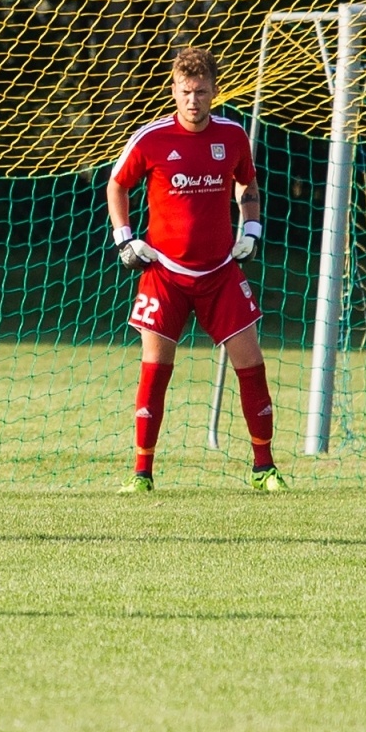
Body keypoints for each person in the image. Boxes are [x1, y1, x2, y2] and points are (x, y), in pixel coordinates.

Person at [106, 46, 286, 492]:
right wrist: (125, 238)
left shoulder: (233, 136)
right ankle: (142, 473)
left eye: (201, 92)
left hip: (221, 270)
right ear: (173, 91)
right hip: (164, 272)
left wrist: (253, 227)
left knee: (252, 363)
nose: (193, 100)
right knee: (155, 367)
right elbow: (117, 184)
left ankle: (264, 469)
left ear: (214, 92)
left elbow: (247, 181)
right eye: (185, 92)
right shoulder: (150, 139)